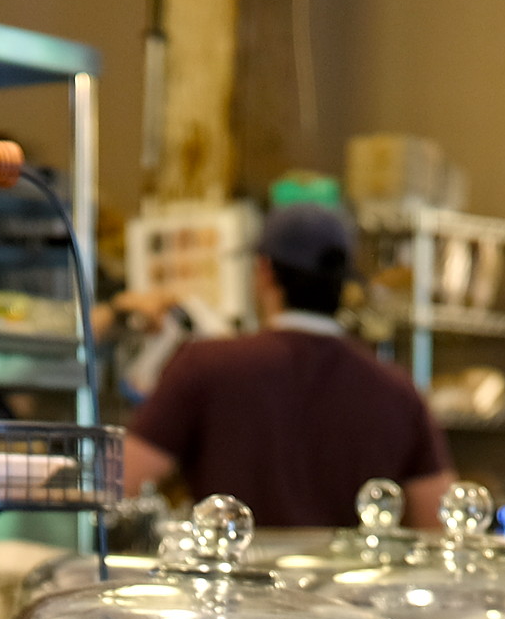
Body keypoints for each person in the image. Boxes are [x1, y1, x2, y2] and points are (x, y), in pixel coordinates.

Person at [121, 204, 453, 530]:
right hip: (352, 583)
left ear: (264, 272)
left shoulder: (205, 366)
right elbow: (439, 524)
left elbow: (123, 480)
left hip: (236, 580)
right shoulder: (396, 390)